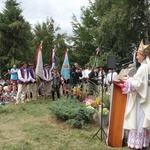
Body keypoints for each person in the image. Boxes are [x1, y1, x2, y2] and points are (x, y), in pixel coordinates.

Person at [121, 40, 150, 149]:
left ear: (142, 55)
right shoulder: (147, 65)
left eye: (138, 54)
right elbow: (141, 81)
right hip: (145, 97)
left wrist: (128, 80)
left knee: (138, 121)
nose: (137, 56)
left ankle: (138, 145)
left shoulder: (143, 67)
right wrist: (132, 79)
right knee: (141, 121)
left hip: (140, 100)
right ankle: (143, 143)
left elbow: (137, 85)